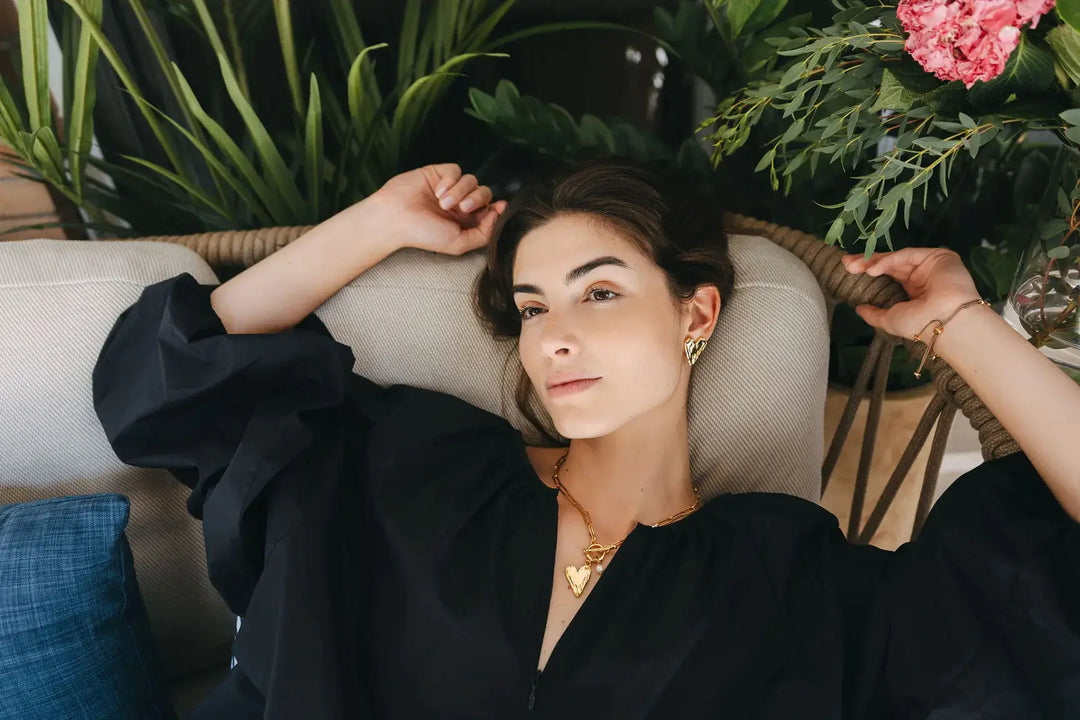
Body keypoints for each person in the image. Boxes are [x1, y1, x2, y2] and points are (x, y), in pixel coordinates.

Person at [91, 159, 1080, 720]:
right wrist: (374, 224)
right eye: (532, 307)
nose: (553, 336)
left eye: (598, 292)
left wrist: (959, 326)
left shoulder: (785, 576)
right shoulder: (413, 462)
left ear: (696, 312)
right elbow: (168, 381)